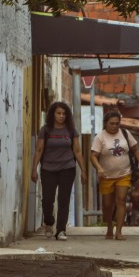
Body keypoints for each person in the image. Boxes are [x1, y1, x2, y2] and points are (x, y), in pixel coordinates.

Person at [31, 102, 86, 240]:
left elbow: (78, 152)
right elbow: (38, 150)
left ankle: (61, 230)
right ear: (53, 114)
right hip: (48, 168)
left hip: (67, 168)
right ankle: (49, 222)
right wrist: (34, 169)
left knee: (64, 199)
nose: (61, 116)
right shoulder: (46, 130)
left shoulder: (71, 130)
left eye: (64, 113)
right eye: (58, 113)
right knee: (48, 199)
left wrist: (83, 171)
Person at [91, 109, 139, 241]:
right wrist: (98, 168)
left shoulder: (125, 134)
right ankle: (109, 227)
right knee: (108, 204)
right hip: (106, 176)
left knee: (121, 200)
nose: (114, 126)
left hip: (124, 174)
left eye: (117, 123)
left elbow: (135, 149)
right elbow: (93, 156)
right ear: (105, 124)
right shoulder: (100, 137)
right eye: (111, 123)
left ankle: (119, 231)